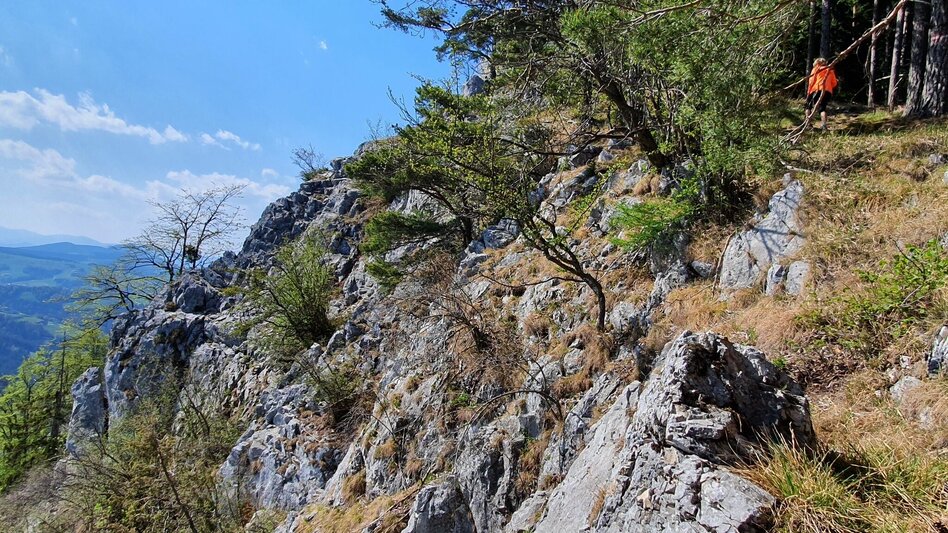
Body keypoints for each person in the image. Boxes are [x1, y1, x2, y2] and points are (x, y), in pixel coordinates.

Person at [806, 58, 838, 131]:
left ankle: (808, 124)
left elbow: (811, 81)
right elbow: (834, 83)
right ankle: (824, 126)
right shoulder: (830, 70)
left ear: (816, 63)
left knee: (808, 106)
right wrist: (828, 86)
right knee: (822, 108)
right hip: (827, 91)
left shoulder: (816, 69)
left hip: (815, 89)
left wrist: (808, 92)